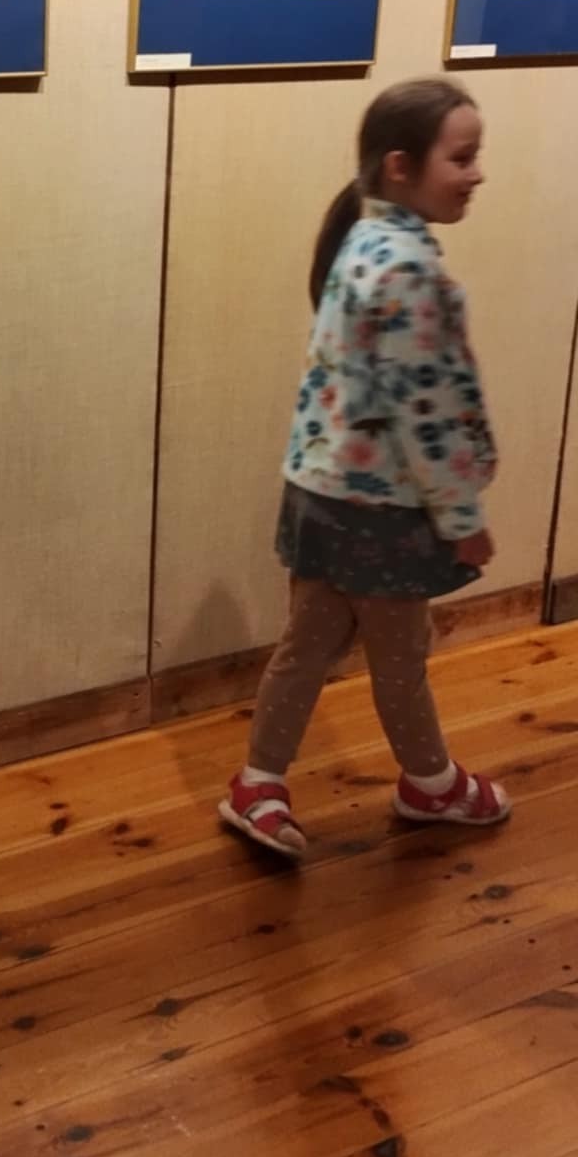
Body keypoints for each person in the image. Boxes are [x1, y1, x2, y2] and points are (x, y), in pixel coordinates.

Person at [219, 78, 510, 859]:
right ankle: (432, 783)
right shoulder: (408, 268)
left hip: (321, 494)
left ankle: (257, 782)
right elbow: (426, 410)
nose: (477, 173)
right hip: (382, 511)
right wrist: (463, 517)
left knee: (306, 647)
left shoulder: (361, 241)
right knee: (401, 660)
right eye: (462, 158)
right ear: (400, 166)